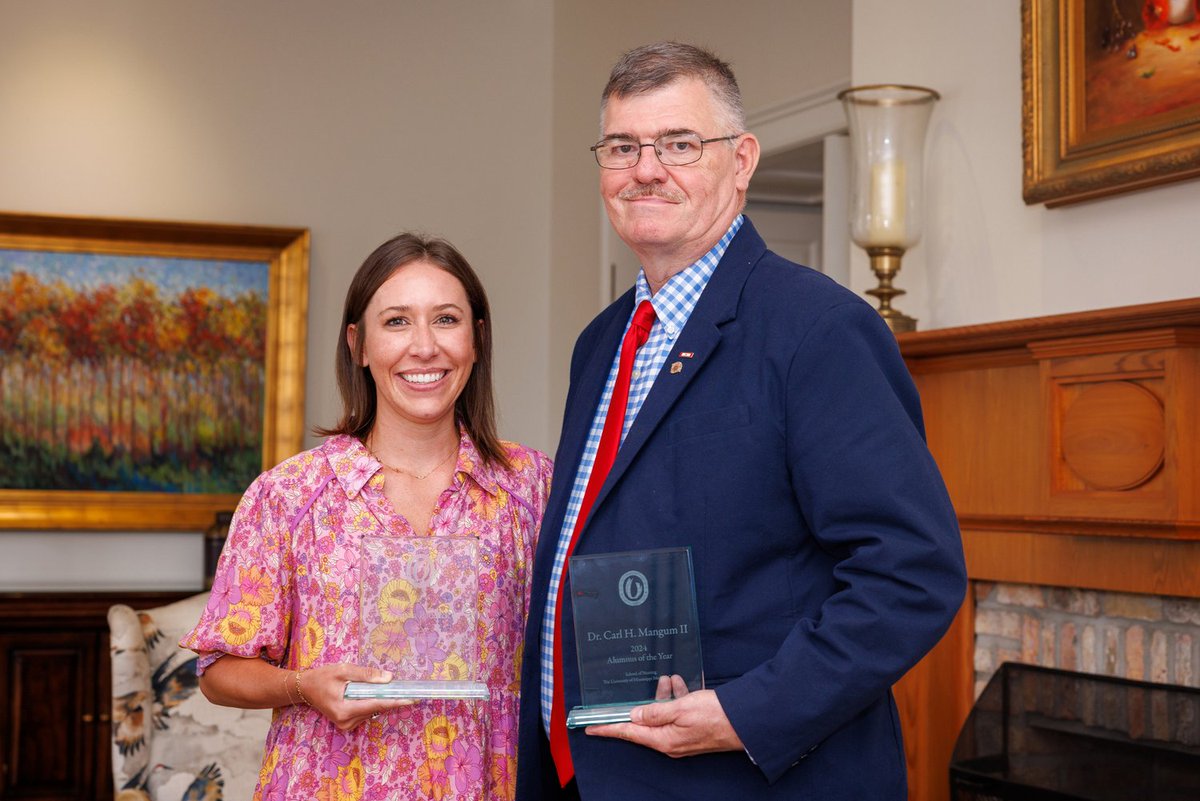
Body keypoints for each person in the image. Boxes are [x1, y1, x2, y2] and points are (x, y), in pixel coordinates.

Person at [516, 42, 967, 800]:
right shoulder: (601, 342)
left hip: (744, 777)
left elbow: (912, 569)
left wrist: (746, 712)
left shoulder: (820, 329)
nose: (645, 169)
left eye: (680, 144)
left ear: (742, 159)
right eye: (622, 147)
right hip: (596, 774)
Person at [182, 233, 553, 801]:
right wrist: (303, 685)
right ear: (358, 344)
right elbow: (217, 672)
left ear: (477, 338)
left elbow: (580, 639)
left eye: (446, 319)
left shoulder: (534, 487)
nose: (424, 347)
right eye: (397, 322)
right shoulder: (287, 496)